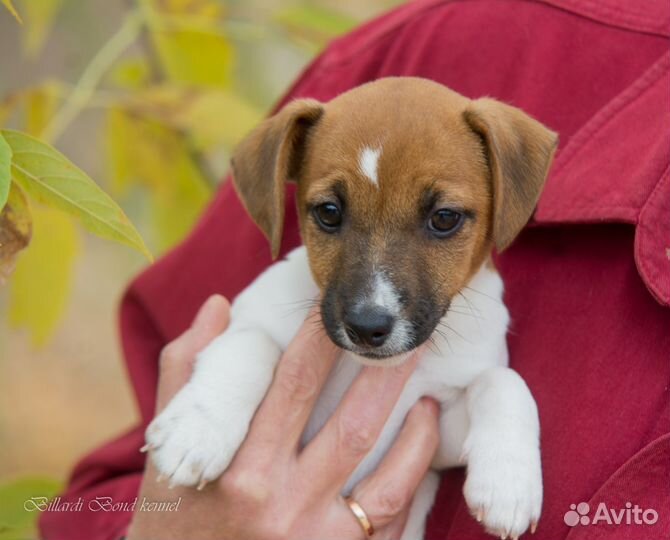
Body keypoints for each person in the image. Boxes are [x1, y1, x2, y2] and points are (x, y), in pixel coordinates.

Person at [40, 0, 670, 538]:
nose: (373, 302)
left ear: (510, 195)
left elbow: (446, 434)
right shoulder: (282, 291)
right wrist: (217, 404)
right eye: (331, 215)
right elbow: (243, 340)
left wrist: (504, 408)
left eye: (443, 220)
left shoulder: (478, 329)